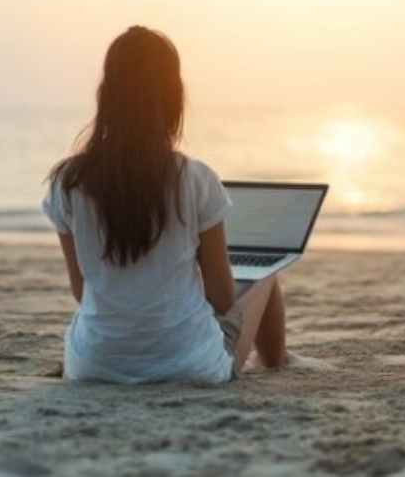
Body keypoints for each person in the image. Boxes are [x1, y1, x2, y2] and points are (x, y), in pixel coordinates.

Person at [42, 26, 297, 384]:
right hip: (188, 365)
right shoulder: (195, 180)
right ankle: (278, 363)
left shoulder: (67, 184)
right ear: (174, 98)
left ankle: (279, 360)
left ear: (105, 96)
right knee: (267, 274)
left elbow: (82, 291)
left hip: (93, 366)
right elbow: (222, 299)